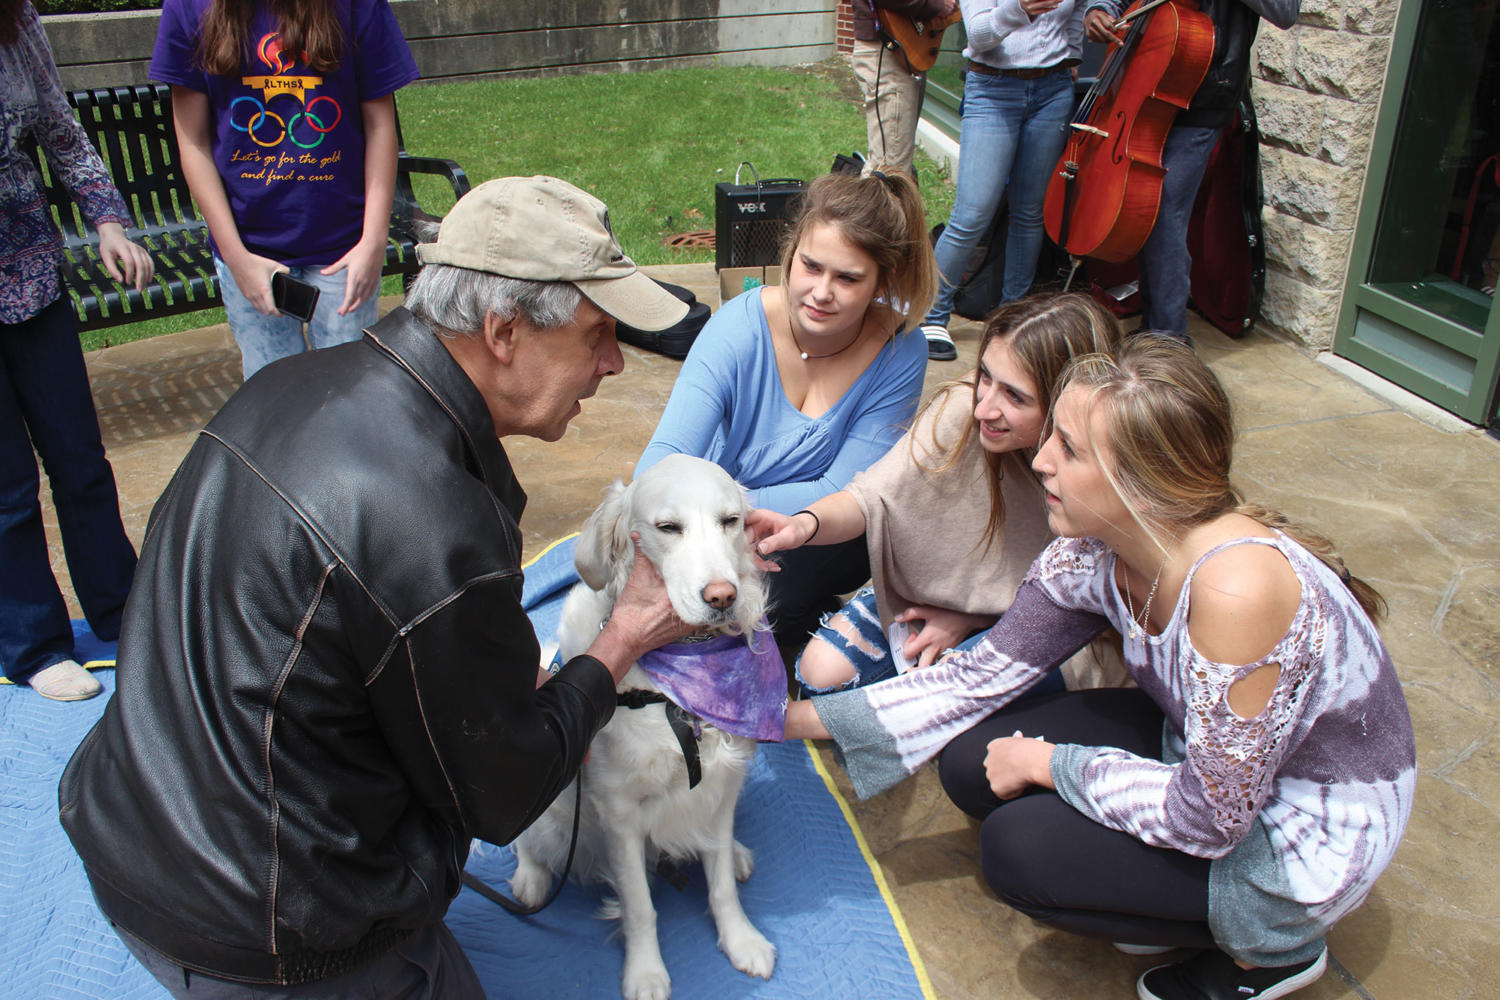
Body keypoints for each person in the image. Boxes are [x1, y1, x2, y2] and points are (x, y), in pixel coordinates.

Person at [60, 176, 697, 998]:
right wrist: (623, 641)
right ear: (503, 330)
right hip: (266, 931)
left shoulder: (286, 386)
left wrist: (483, 677)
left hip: (127, 826)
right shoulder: (432, 521)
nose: (613, 364)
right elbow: (503, 797)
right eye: (597, 334)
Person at [785, 337, 1415, 1000]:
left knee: (1019, 852)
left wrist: (1052, 766)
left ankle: (1274, 947)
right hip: (1208, 763)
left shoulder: (1238, 592)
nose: (1042, 461)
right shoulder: (1094, 549)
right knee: (971, 763)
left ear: (1140, 484)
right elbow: (975, 679)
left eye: (1071, 450)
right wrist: (784, 719)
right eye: (1051, 436)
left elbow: (1211, 819)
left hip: (1299, 840)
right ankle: (1161, 896)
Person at [751, 293, 1120, 694]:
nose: (984, 408)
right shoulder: (961, 409)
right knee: (819, 673)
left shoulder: (1102, 476)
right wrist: (803, 525)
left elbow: (1081, 604)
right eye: (985, 376)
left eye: (1015, 396)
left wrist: (974, 619)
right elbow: (874, 495)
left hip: (1043, 620)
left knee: (948, 701)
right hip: (941, 593)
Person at [636, 169, 938, 645]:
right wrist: (675, 522)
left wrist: (719, 521)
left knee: (778, 598)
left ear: (885, 279)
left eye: (848, 278)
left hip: (818, 526)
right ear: (790, 253)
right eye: (811, 266)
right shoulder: (736, 327)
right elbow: (669, 451)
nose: (821, 292)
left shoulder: (902, 348)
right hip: (717, 520)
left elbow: (842, 487)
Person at [1, 0, 154, 702]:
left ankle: (123, 611)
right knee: (5, 489)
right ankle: (34, 645)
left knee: (80, 460)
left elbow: (61, 133)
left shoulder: (18, 20)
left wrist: (108, 221)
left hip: (31, 276)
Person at [151, 0, 419, 379]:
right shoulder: (188, 7)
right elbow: (192, 142)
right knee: (273, 404)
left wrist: (373, 241)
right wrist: (237, 258)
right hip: (249, 252)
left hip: (345, 251)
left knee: (346, 397)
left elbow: (380, 125)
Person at [1083, 0, 1300, 344]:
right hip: (1142, 80)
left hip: (1203, 92)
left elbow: (1286, 12)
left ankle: (1170, 343)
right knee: (1138, 209)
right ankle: (1154, 328)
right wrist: (1098, 8)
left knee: (1163, 211)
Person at [918, 0, 1085, 363]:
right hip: (993, 87)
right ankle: (932, 314)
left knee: (1029, 213)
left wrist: (1072, 56)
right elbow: (978, 34)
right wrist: (1020, 7)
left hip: (1053, 90)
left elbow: (1077, 11)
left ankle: (1014, 315)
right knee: (973, 212)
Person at [849, 0, 959, 177]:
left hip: (901, 49)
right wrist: (936, 4)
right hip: (888, 50)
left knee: (891, 168)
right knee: (889, 173)